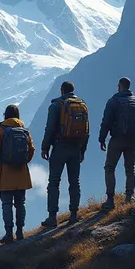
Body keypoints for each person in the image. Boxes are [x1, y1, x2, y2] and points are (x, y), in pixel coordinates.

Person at [41, 81, 89, 228]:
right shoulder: (82, 105)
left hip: (60, 147)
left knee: (54, 182)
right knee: (75, 182)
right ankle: (74, 214)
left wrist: (45, 147)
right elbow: (86, 131)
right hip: (75, 147)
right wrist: (82, 150)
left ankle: (52, 217)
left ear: (61, 90)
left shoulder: (56, 106)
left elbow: (49, 128)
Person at [99, 77, 135, 210]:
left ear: (119, 86)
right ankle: (129, 198)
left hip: (117, 139)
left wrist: (102, 138)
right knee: (130, 168)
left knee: (110, 167)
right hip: (133, 139)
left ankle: (110, 200)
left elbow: (106, 121)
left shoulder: (114, 101)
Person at [0, 104, 35, 243]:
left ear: (5, 115)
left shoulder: (0, 131)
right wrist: (24, 161)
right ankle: (20, 232)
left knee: (6, 204)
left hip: (5, 172)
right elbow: (31, 149)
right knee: (20, 204)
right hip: (22, 173)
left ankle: (9, 234)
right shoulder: (25, 130)